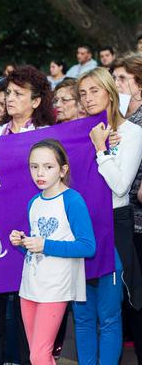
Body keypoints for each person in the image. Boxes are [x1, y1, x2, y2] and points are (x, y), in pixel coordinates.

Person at [0, 66, 55, 365]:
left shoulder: (46, 136)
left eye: (18, 94)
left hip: (33, 230)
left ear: (36, 101)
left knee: (30, 305)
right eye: (8, 92)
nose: (9, 99)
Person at [73, 67, 142, 365]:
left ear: (110, 92)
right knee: (83, 315)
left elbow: (121, 185)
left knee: (109, 314)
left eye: (94, 91)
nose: (88, 99)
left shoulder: (133, 132)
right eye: (83, 93)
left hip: (114, 227)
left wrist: (101, 150)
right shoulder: (77, 132)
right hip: (81, 229)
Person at [10, 139, 96, 365]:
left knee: (39, 355)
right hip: (29, 285)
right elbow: (36, 245)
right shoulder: (33, 203)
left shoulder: (73, 200)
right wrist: (23, 242)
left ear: (62, 170)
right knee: (37, 355)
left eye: (48, 167)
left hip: (56, 287)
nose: (40, 172)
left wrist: (45, 244)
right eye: (34, 166)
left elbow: (88, 247)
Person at [109, 53, 142, 362]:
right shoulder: (117, 120)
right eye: (114, 78)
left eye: (122, 79)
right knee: (130, 296)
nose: (116, 84)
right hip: (125, 219)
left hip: (137, 216)